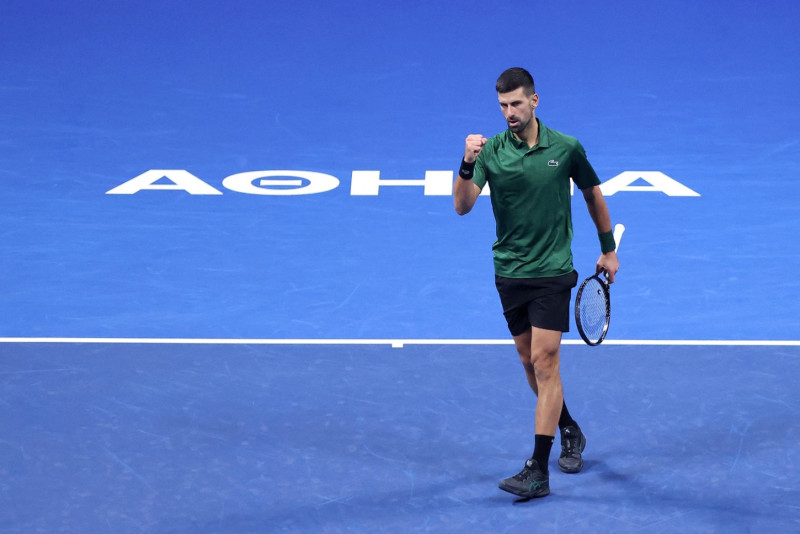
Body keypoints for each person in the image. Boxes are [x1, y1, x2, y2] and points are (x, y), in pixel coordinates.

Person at [453, 67, 619, 499]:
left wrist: (608, 249)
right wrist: (467, 163)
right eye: (502, 105)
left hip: (552, 270)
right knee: (530, 364)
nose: (509, 112)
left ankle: (537, 471)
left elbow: (593, 193)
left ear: (534, 101)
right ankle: (569, 429)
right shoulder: (490, 152)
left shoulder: (566, 148)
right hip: (509, 271)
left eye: (516, 103)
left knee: (546, 363)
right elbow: (462, 206)